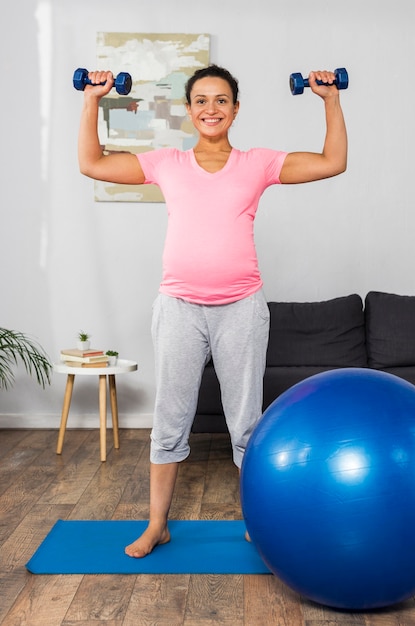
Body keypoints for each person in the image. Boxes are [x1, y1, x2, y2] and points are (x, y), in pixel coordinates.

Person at [78, 63, 347, 558]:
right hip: (179, 307)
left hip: (241, 308)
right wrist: (93, 98)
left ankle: (256, 520)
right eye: (201, 100)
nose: (210, 108)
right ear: (188, 110)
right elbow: (93, 164)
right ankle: (157, 524)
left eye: (221, 100)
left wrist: (329, 99)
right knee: (170, 419)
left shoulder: (258, 163)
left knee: (246, 424)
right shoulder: (166, 164)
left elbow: (332, 161)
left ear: (236, 109)